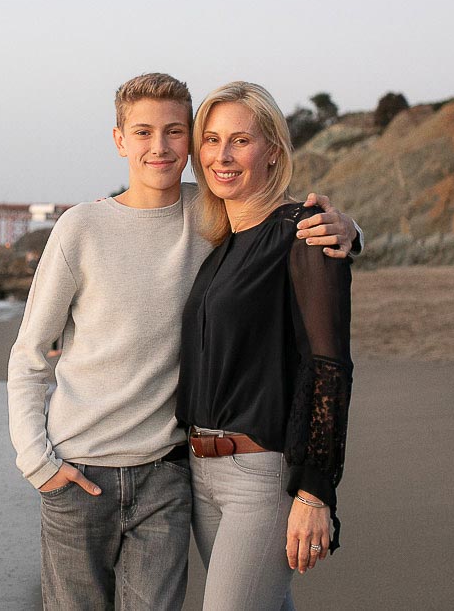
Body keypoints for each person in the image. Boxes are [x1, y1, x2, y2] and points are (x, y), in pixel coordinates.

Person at [8, 74, 361, 610]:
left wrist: (349, 230)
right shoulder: (99, 227)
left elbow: (325, 350)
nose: (160, 146)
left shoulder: (229, 216)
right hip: (99, 473)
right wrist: (38, 461)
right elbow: (30, 354)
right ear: (119, 139)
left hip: (175, 476)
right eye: (143, 132)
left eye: (175, 131)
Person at [177, 81, 355, 610]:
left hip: (261, 478)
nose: (222, 156)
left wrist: (314, 490)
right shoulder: (218, 247)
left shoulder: (302, 233)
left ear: (273, 150)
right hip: (200, 473)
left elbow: (329, 368)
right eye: (210, 140)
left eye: (239, 140)